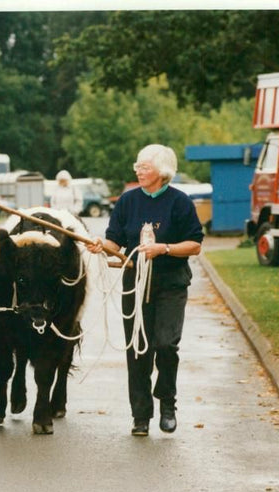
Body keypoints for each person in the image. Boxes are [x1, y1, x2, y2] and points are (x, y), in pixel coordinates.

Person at [87, 144, 203, 437]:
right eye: (137, 166)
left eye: (145, 167)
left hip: (171, 284)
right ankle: (140, 416)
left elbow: (195, 244)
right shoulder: (127, 202)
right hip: (135, 285)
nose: (138, 171)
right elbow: (115, 243)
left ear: (162, 172)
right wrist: (102, 246)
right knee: (138, 351)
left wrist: (163, 248)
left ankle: (167, 402)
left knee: (166, 344)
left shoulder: (179, 202)